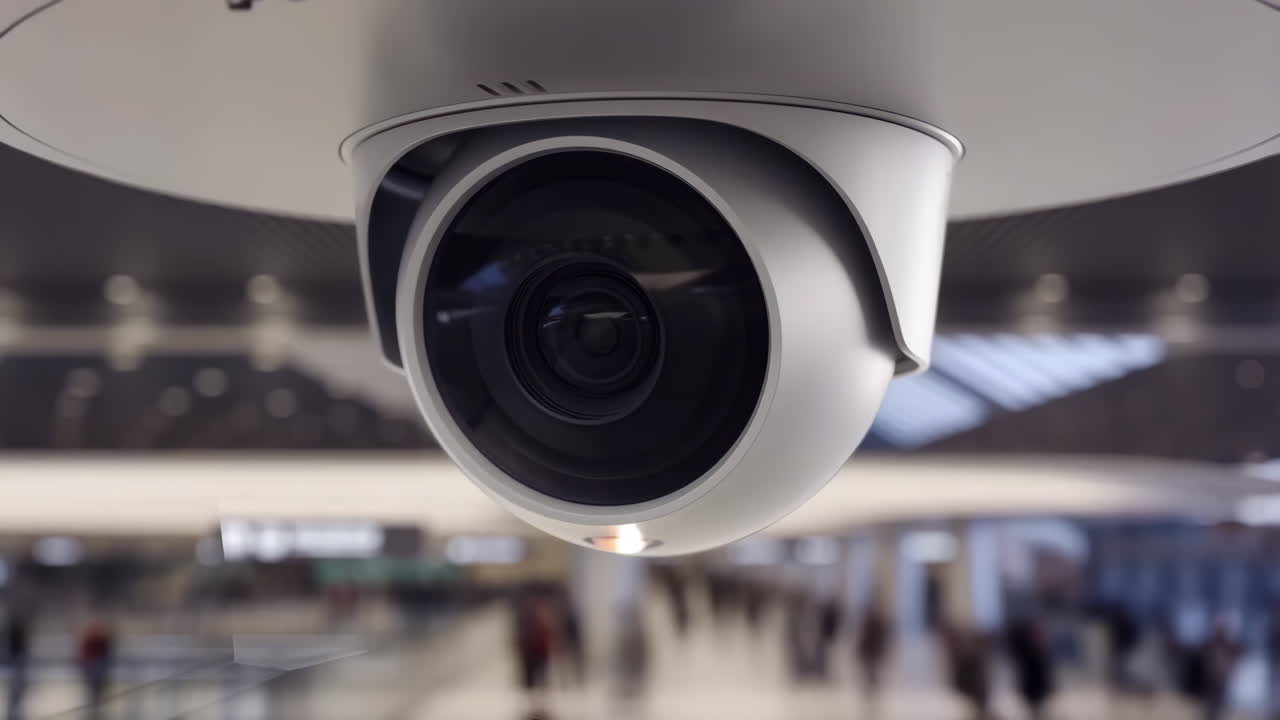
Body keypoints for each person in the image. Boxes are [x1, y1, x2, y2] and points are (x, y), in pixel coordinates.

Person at [1007, 617, 1055, 720]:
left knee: (1037, 711)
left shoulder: (1036, 653)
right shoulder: (1028, 654)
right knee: (1035, 711)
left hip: (1036, 690)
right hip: (1032, 690)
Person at [1199, 620, 1240, 720]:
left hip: (1222, 678)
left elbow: (1234, 655)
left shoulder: (1228, 644)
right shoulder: (1210, 643)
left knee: (1218, 703)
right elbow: (1205, 658)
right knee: (1210, 703)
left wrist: (1227, 668)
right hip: (1211, 678)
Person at [78, 616, 113, 720]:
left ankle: (96, 711)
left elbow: (106, 653)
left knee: (97, 692)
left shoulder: (100, 639)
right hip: (93, 668)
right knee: (92, 692)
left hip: (97, 668)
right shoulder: (91, 638)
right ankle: (94, 712)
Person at [855, 603, 891, 700]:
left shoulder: (872, 623)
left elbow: (879, 638)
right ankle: (871, 689)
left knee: (871, 672)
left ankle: (871, 689)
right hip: (871, 651)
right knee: (870, 672)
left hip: (872, 651)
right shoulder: (871, 623)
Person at [4, 612, 30, 720]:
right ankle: (14, 714)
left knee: (17, 690)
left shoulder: (14, 632)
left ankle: (15, 713)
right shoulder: (14, 633)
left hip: (18, 659)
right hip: (17, 659)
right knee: (15, 690)